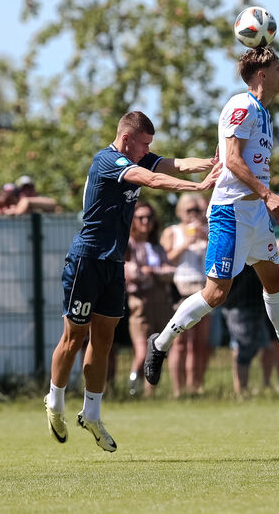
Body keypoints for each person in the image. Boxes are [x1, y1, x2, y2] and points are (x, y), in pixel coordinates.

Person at [44, 111, 219, 451]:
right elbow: (153, 181)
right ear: (127, 140)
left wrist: (211, 162)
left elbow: (176, 164)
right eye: (144, 144)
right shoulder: (109, 160)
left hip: (112, 263)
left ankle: (91, 414)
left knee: (104, 339)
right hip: (86, 260)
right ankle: (54, 401)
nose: (147, 151)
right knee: (75, 335)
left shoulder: (139, 156)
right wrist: (197, 187)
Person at [144, 47, 279, 386]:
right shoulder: (241, 105)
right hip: (230, 212)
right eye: (278, 67)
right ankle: (159, 343)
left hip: (256, 214)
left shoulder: (264, 112)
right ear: (261, 74)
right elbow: (232, 159)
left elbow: (252, 166)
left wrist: (270, 209)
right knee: (216, 294)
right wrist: (268, 196)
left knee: (275, 281)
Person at [159, 194, 211, 397]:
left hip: (203, 288)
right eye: (190, 210)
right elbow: (165, 260)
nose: (194, 214)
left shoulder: (207, 231)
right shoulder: (172, 231)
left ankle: (196, 386)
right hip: (180, 289)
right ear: (180, 211)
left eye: (198, 210)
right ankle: (177, 390)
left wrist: (203, 236)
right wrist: (185, 243)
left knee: (199, 342)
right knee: (179, 342)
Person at [125, 202, 175, 397]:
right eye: (140, 218)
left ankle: (149, 394)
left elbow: (171, 272)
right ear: (133, 221)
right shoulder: (128, 244)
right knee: (141, 352)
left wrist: (152, 271)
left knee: (158, 351)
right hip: (140, 303)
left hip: (162, 302)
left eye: (149, 218)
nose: (145, 222)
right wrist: (154, 274)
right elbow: (130, 272)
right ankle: (131, 390)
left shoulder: (157, 246)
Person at [221, 264, 279, 396]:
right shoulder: (236, 247)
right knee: (243, 350)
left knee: (257, 348)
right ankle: (241, 391)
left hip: (258, 303)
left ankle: (247, 389)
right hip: (238, 304)